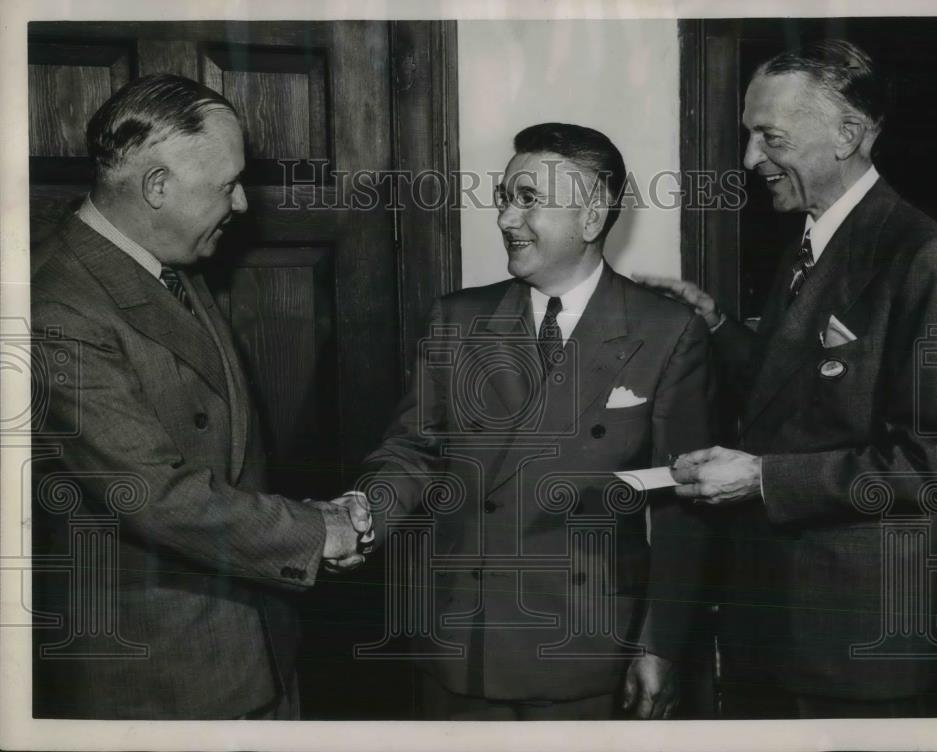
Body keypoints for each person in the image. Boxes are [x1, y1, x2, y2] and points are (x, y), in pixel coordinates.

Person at [31, 74, 371, 720]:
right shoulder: (55, 308)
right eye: (226, 185)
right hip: (160, 682)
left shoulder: (168, 260)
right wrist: (313, 532)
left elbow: (223, 455)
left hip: (253, 644)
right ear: (157, 188)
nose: (242, 203)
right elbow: (152, 492)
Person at [643, 40, 937, 718]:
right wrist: (713, 324)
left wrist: (763, 478)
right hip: (781, 631)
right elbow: (803, 387)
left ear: (848, 134)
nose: (750, 159)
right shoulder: (816, 238)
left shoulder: (929, 259)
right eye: (748, 135)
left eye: (770, 137)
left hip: (853, 651)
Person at [352, 123, 712, 720]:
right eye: (503, 198)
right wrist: (362, 511)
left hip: (587, 646)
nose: (505, 220)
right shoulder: (457, 319)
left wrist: (661, 645)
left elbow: (684, 511)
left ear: (592, 218)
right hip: (462, 637)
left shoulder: (668, 332)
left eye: (528, 201)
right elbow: (412, 452)